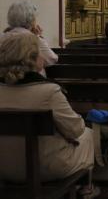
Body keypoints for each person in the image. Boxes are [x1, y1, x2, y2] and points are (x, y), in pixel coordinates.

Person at [0, 33, 95, 188]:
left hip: (2, 167)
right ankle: (86, 189)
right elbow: (75, 129)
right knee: (88, 135)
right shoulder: (48, 92)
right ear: (31, 58)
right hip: (42, 167)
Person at [2, 1, 58, 70]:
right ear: (31, 20)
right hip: (30, 77)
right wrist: (39, 37)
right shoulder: (34, 39)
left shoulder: (2, 37)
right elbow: (51, 59)